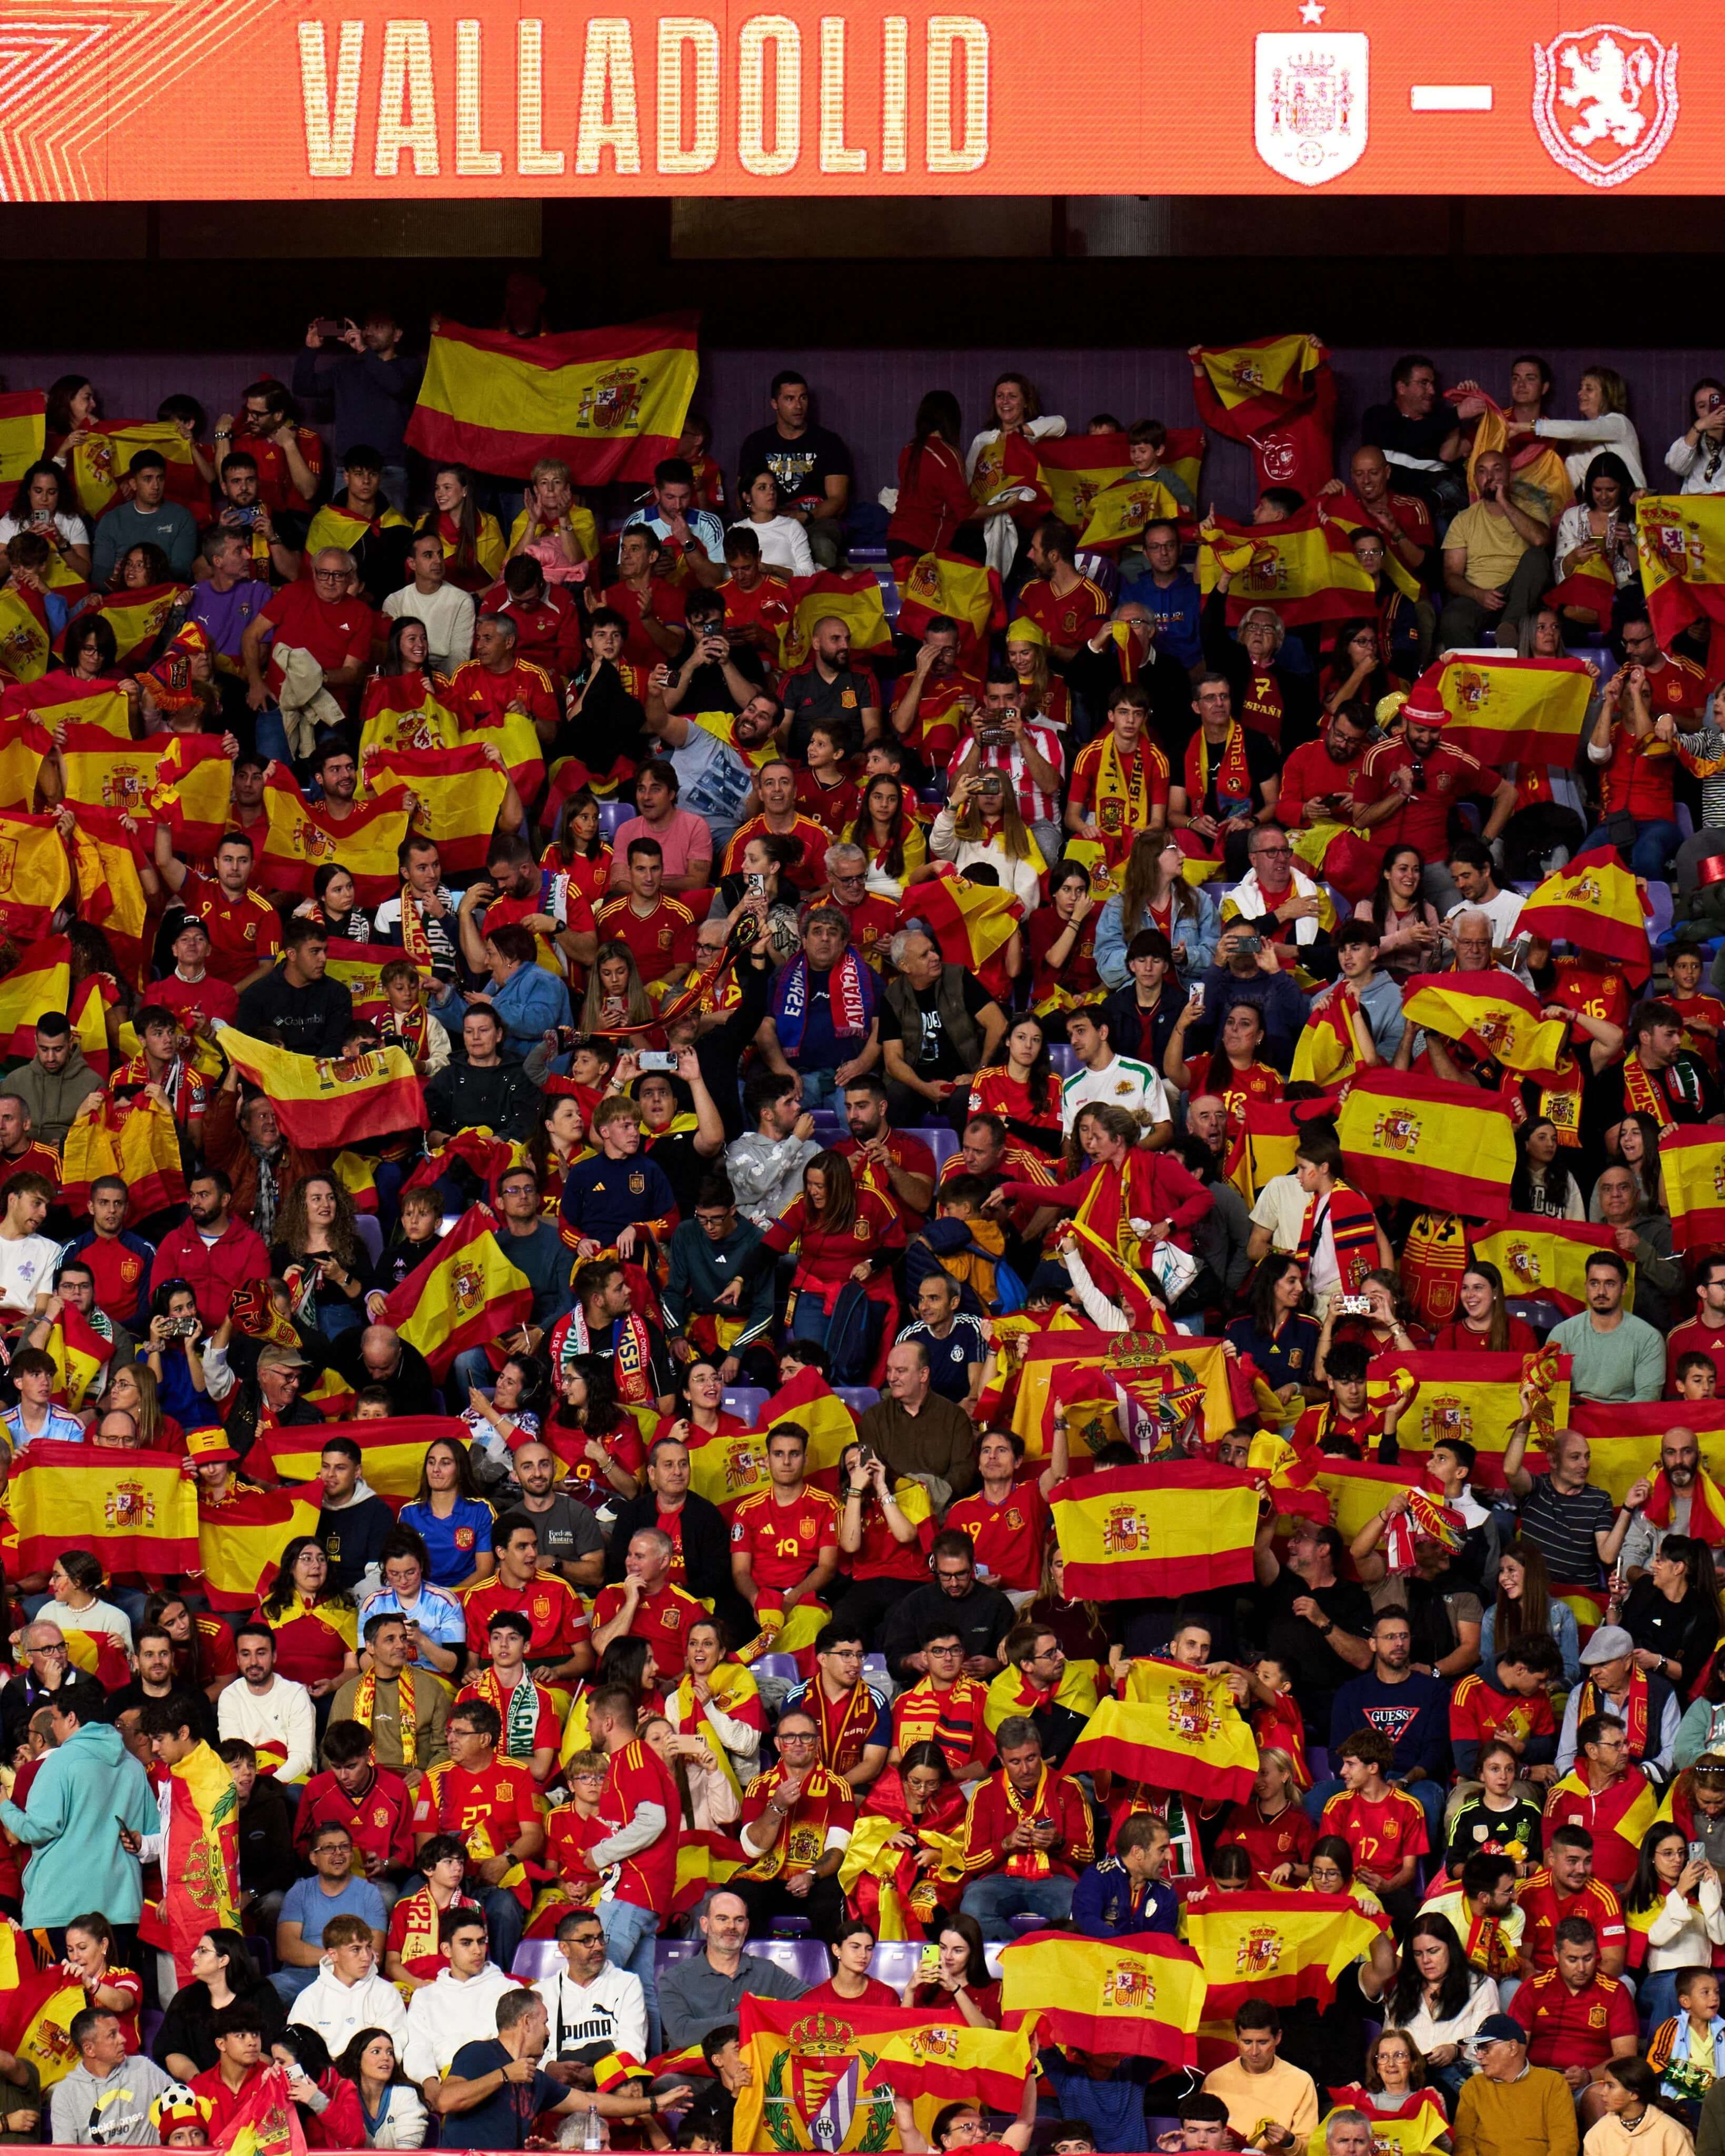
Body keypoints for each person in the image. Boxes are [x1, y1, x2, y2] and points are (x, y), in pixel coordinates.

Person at [0, 1676, 156, 1946]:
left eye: (56, 1719)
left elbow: (36, 1830)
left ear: (71, 1719)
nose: (54, 1727)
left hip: (61, 1912)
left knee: (63, 1990)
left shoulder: (59, 1762)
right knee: (118, 1987)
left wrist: (4, 1804)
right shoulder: (133, 1767)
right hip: (122, 1910)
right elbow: (153, 1835)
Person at [958, 1715, 1092, 1938]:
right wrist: (1005, 1844)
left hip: (1055, 1880)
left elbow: (1087, 1854)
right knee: (973, 1906)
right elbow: (971, 1861)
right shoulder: (985, 1792)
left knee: (1082, 1906)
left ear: (1040, 1752)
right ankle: (1012, 1961)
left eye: (1031, 1758)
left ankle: (1048, 1961)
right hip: (999, 1881)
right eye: (1015, 1762)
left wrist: (1059, 1843)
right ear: (1001, 1760)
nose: (1025, 1770)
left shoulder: (1067, 1787)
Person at [654, 1888, 807, 2051]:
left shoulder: (767, 1971)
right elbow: (683, 2034)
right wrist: (751, 2016)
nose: (731, 1927)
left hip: (754, 2066)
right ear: (705, 1925)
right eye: (722, 1919)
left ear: (747, 1927)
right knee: (669, 2079)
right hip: (692, 2069)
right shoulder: (674, 1979)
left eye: (739, 1920)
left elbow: (811, 2001)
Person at [1544, 1253, 1667, 1403]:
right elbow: (1550, 1391)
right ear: (1586, 1286)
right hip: (1574, 1418)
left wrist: (1610, 1420)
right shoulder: (1562, 1334)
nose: (1601, 1292)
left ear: (1623, 1289)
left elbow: (1649, 1396)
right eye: (1594, 1283)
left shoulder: (1648, 1338)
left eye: (1610, 1284)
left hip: (1626, 1420)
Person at [1451, 2015, 1579, 2156]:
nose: (1479, 2056)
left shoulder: (1553, 2083)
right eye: (1478, 2049)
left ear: (1512, 2047)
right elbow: (1463, 2143)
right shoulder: (1473, 2088)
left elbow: (1565, 2143)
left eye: (1486, 2048)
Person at [1202, 2001, 1321, 2150]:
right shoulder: (1215, 2080)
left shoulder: (1301, 2082)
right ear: (1236, 2038)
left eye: (1263, 2042)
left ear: (1278, 2038)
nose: (1254, 2051)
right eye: (1247, 2042)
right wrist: (1215, 2143)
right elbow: (1197, 2136)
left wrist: (1289, 2141)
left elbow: (1312, 2150)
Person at [287, 1913, 408, 2057]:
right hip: (325, 2078)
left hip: (372, 2078)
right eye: (356, 1949)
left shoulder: (387, 1993)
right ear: (333, 1955)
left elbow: (393, 2051)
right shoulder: (309, 1998)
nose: (367, 1957)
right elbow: (295, 2052)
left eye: (368, 1947)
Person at [51, 2008, 176, 2145]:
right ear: (89, 2049)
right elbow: (65, 2151)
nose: (123, 2039)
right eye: (112, 2035)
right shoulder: (66, 2093)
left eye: (119, 2032)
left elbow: (182, 2111)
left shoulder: (145, 2069)